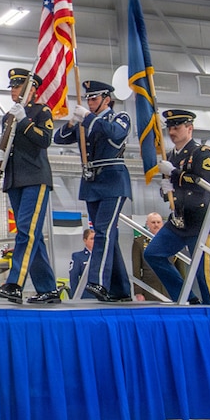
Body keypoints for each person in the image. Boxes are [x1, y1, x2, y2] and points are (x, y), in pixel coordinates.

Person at [53, 78, 132, 301]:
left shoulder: (119, 117)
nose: (90, 102)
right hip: (91, 182)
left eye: (94, 98)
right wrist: (72, 122)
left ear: (107, 99)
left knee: (103, 232)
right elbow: (58, 139)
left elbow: (116, 135)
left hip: (113, 180)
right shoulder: (85, 121)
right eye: (88, 99)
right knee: (108, 235)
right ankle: (121, 289)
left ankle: (98, 283)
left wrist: (89, 118)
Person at [0, 68, 58, 305]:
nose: (14, 91)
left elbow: (44, 140)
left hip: (35, 178)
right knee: (32, 236)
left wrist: (25, 120)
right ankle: (48, 289)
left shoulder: (41, 111)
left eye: (18, 87)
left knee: (26, 232)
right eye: (13, 87)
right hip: (15, 180)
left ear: (31, 89)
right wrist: (0, 154)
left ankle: (15, 284)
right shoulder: (7, 116)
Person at [143, 109, 210, 304]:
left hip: (201, 219)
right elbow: (172, 192)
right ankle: (186, 298)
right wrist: (165, 190)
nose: (171, 132)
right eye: (169, 128)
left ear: (189, 128)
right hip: (179, 220)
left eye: (176, 127)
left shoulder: (202, 153)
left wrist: (175, 174)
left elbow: (203, 182)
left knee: (204, 273)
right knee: (153, 254)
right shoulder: (170, 156)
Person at [131, 211, 169, 299]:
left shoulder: (171, 242)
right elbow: (136, 270)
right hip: (149, 289)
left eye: (158, 222)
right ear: (147, 224)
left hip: (170, 288)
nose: (156, 225)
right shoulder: (139, 242)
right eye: (153, 222)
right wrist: (138, 292)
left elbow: (180, 268)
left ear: (162, 224)